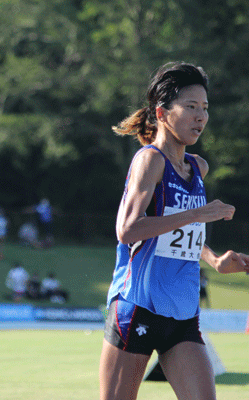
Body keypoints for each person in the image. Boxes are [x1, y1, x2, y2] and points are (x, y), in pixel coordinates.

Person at [99, 62, 249, 400]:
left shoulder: (198, 167)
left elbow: (182, 233)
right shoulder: (149, 161)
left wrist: (214, 260)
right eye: (191, 107)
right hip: (138, 304)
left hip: (182, 314)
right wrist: (197, 212)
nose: (201, 117)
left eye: (205, 108)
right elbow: (127, 230)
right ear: (163, 113)